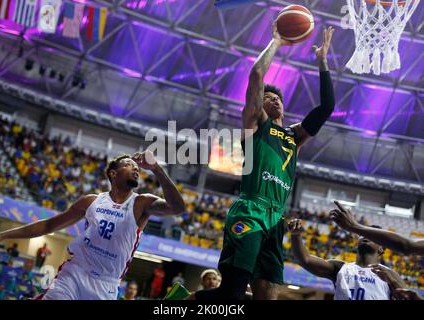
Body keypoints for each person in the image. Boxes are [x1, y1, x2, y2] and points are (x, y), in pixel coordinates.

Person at [169, 22, 335, 301]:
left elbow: (327, 107)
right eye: (268, 98)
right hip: (251, 209)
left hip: (276, 219)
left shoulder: (295, 137)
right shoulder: (256, 125)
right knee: (231, 292)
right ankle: (177, 303)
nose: (273, 100)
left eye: (278, 98)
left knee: (266, 297)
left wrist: (323, 62)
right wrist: (277, 43)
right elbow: (257, 74)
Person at [0, 150, 185, 300]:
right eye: (129, 165)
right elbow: (48, 226)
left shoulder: (141, 203)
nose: (136, 168)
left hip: (107, 284)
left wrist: (156, 169)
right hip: (75, 273)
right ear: (114, 173)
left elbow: (177, 207)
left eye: (137, 167)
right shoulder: (91, 201)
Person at [288, 219, 406, 300]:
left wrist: (394, 283)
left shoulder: (390, 274)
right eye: (363, 234)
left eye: (374, 236)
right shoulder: (340, 268)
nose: (367, 236)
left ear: (382, 248)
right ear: (356, 244)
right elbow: (305, 259)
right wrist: (296, 235)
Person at [330, 200, 424, 255]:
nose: (365, 238)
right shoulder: (341, 267)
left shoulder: (389, 277)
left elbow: (407, 246)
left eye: (372, 237)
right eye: (363, 236)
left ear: (381, 248)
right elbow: (408, 246)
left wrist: (355, 226)